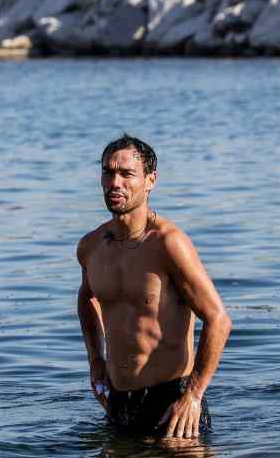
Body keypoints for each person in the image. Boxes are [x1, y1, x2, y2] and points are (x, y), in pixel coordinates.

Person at [77, 134, 231, 440]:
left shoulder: (169, 244)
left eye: (126, 174)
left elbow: (219, 320)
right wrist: (96, 360)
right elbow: (87, 299)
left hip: (173, 403)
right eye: (108, 173)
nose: (115, 183)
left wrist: (194, 396)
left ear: (150, 181)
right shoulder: (91, 246)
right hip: (119, 402)